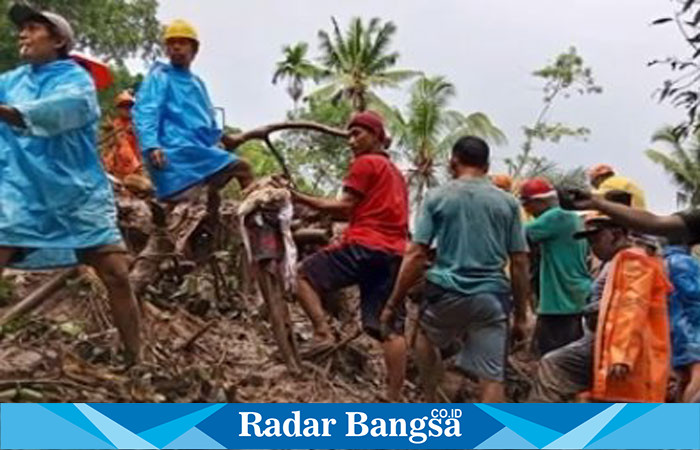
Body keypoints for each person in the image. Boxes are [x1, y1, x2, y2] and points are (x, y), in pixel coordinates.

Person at [0, 4, 141, 361]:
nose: (23, 34)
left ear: (59, 40)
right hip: (22, 193)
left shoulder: (76, 82)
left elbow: (49, 112)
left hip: (76, 195)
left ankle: (135, 361)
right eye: (23, 29)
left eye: (33, 28)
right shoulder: (11, 82)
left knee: (116, 274)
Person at [381, 136, 531, 403]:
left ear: (453, 162)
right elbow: (519, 262)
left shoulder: (437, 197)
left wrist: (393, 302)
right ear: (486, 166)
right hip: (492, 298)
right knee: (492, 378)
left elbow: (416, 254)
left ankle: (434, 399)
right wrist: (521, 314)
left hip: (445, 295)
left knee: (423, 338)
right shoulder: (508, 203)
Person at [291, 111, 408, 401]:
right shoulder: (396, 174)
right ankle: (394, 397)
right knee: (387, 327)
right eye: (349, 135)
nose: (352, 141)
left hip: (364, 245)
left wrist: (299, 197)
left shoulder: (365, 164)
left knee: (302, 275)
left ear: (377, 136)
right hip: (393, 253)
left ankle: (321, 332)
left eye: (358, 134)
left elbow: (344, 207)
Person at [530, 213, 671, 402]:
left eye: (596, 239)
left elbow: (631, 308)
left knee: (554, 366)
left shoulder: (633, 261)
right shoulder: (618, 260)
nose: (592, 247)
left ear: (616, 234)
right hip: (609, 342)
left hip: (624, 347)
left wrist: (622, 355)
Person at [133, 19, 253, 202]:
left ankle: (255, 221)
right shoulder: (160, 78)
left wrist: (222, 137)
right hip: (174, 153)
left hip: (199, 153)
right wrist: (151, 145)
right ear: (166, 49)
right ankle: (256, 221)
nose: (177, 47)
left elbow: (207, 119)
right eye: (172, 43)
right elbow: (146, 112)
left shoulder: (198, 83)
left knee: (237, 173)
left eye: (182, 43)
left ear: (194, 49)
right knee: (240, 167)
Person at [520, 178, 591, 356]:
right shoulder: (572, 217)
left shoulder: (555, 217)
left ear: (540, 201)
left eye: (527, 204)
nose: (526, 210)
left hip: (561, 299)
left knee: (554, 357)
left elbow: (517, 234)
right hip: (574, 294)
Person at [663, 244, 700, 402]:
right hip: (690, 328)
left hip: (676, 326)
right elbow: (693, 292)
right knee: (698, 377)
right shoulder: (682, 261)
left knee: (683, 378)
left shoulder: (663, 262)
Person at [103, 90, 143, 180]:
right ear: (118, 109)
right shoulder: (115, 125)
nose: (127, 109)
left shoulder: (138, 123)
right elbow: (118, 147)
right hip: (123, 169)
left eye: (129, 106)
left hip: (139, 165)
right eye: (123, 106)